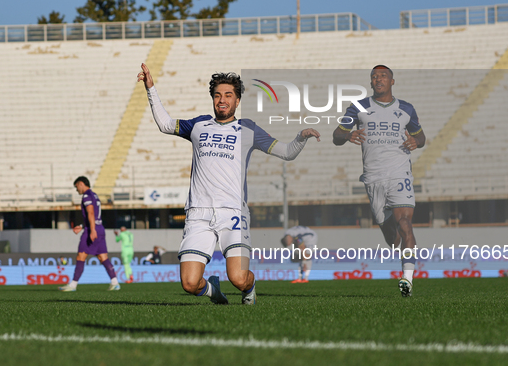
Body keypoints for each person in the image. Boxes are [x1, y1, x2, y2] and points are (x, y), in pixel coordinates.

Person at [138, 63, 320, 305]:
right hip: (198, 215)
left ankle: (250, 289)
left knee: (239, 278)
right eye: (217, 95)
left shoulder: (249, 129)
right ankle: (214, 292)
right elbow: (165, 124)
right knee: (190, 283)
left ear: (237, 101)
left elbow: (286, 153)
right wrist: (150, 88)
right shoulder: (198, 125)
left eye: (228, 95)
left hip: (233, 214)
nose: (221, 100)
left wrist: (300, 137)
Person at [333, 65, 426, 297]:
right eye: (374, 76)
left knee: (405, 224)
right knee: (391, 238)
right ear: (371, 82)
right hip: (373, 178)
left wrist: (416, 142)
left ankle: (407, 279)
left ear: (392, 81)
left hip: (400, 173)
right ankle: (400, 250)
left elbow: (421, 137)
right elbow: (336, 135)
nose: (378, 79)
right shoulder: (359, 107)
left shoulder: (406, 109)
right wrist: (348, 134)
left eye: (383, 76)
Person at [59, 176, 120, 291]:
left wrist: (91, 230)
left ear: (81, 184)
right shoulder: (94, 195)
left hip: (93, 229)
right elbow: (94, 215)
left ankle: (73, 285)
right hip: (100, 228)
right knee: (103, 257)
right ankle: (115, 282)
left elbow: (91, 213)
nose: (77, 190)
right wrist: (82, 226)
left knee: (81, 255)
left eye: (76, 187)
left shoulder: (86, 196)